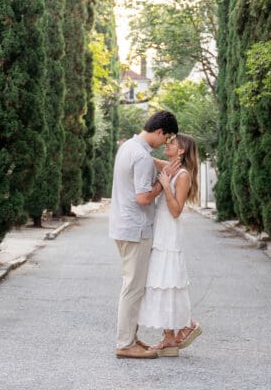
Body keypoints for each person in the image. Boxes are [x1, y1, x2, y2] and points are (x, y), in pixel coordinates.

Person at [108, 109, 179, 359]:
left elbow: (151, 163)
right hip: (136, 228)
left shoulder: (130, 146)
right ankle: (125, 343)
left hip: (124, 226)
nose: (165, 144)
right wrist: (164, 182)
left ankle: (131, 338)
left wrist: (165, 166)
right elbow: (143, 198)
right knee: (133, 288)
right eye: (166, 138)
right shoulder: (139, 154)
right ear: (159, 132)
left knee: (133, 285)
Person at [138, 133, 202, 355]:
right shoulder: (173, 166)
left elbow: (176, 211)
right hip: (160, 232)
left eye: (172, 142)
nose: (167, 143)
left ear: (182, 150)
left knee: (169, 282)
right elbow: (151, 160)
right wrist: (136, 145)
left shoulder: (182, 175)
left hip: (170, 235)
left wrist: (165, 184)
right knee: (162, 283)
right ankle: (169, 337)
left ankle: (187, 325)